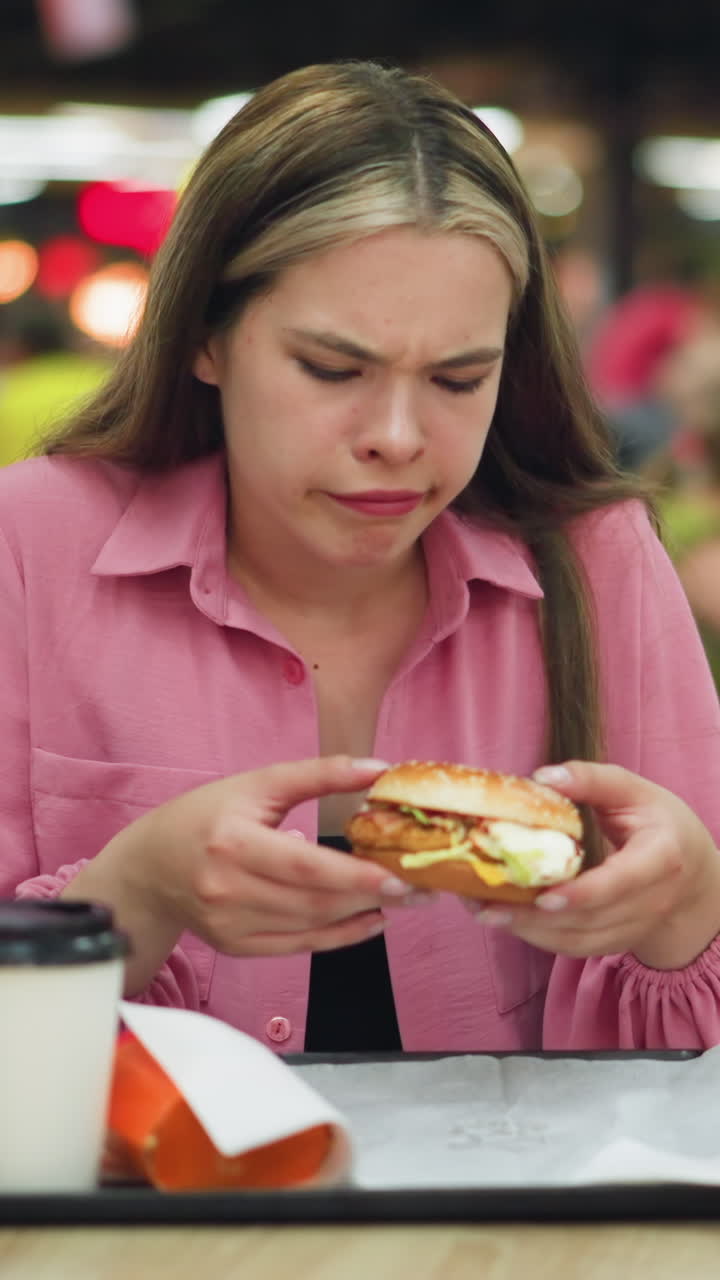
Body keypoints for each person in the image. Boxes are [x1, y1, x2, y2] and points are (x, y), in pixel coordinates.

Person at [2, 61, 720, 1055]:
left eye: (458, 378)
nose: (396, 435)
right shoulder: (29, 544)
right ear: (207, 335)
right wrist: (141, 886)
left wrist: (691, 911)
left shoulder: (592, 563)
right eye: (332, 368)